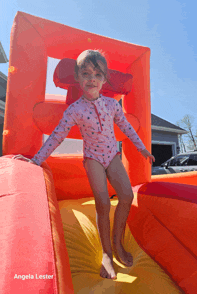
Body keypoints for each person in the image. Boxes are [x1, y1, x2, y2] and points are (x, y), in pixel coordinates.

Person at [13, 49, 155, 280]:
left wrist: (141, 148)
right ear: (78, 78)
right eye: (86, 73)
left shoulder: (111, 105)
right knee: (102, 202)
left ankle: (118, 243)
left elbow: (127, 127)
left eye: (98, 74)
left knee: (127, 196)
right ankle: (107, 254)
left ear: (104, 79)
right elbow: (57, 135)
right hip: (93, 159)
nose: (92, 78)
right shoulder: (75, 110)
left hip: (112, 155)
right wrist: (36, 160)